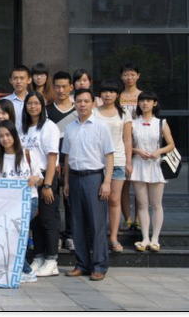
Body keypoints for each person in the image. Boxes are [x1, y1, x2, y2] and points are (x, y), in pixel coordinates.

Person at [62, 88, 115, 282]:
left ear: (93, 103)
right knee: (77, 224)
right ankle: (82, 264)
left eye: (86, 101)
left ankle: (99, 266)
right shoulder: (70, 127)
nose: (82, 104)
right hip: (74, 178)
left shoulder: (101, 127)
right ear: (74, 103)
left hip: (94, 178)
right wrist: (66, 182)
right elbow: (67, 157)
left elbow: (109, 155)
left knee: (96, 224)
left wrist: (107, 182)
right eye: (79, 101)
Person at [0, 119, 43, 283]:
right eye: (1, 136)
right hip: (7, 204)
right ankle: (24, 269)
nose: (5, 139)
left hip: (28, 200)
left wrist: (35, 178)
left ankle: (24, 269)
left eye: (8, 135)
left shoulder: (28, 155)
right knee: (10, 235)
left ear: (14, 135)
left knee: (18, 232)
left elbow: (40, 178)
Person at [21, 91, 61, 278]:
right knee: (34, 221)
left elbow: (52, 157)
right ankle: (38, 257)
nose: (33, 107)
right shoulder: (23, 127)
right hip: (28, 179)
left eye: (36, 103)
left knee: (48, 219)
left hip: (45, 176)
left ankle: (51, 260)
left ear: (42, 106)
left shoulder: (49, 127)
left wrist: (47, 185)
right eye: (29, 103)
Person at [131, 91, 174, 254]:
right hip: (138, 165)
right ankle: (145, 238)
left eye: (149, 100)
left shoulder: (161, 122)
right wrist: (137, 151)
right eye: (142, 100)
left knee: (156, 204)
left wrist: (159, 151)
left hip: (156, 165)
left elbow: (171, 144)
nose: (145, 103)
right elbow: (127, 144)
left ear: (155, 103)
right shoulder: (133, 123)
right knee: (142, 204)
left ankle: (155, 239)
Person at [94, 79, 133, 254]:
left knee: (114, 200)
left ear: (117, 95)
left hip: (117, 161)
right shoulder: (94, 112)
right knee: (97, 202)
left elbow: (127, 139)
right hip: (97, 162)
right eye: (104, 91)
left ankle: (114, 237)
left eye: (111, 91)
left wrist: (128, 162)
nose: (107, 94)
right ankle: (98, 237)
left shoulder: (124, 114)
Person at [46, 71, 78, 252]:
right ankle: (56, 236)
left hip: (73, 164)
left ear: (71, 87)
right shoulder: (47, 110)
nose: (61, 90)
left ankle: (70, 235)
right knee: (53, 202)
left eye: (64, 86)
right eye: (57, 86)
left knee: (70, 202)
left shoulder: (78, 110)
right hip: (53, 164)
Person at [119, 63, 143, 232]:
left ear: (138, 76)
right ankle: (127, 219)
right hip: (122, 142)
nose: (129, 78)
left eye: (132, 74)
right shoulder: (118, 96)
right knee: (124, 185)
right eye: (126, 74)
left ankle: (138, 219)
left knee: (139, 183)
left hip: (141, 142)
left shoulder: (143, 96)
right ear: (121, 77)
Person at [3, 65, 31, 133]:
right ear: (10, 80)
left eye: (22, 78)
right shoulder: (4, 101)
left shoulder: (36, 101)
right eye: (15, 78)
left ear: (29, 80)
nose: (18, 81)